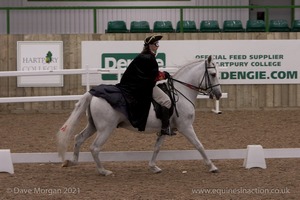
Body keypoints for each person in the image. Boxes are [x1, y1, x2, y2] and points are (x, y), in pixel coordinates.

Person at [116, 34, 175, 136]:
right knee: (166, 101)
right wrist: (164, 75)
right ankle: (165, 128)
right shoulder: (149, 58)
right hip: (144, 87)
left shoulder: (142, 57)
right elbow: (153, 76)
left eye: (158, 44)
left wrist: (161, 74)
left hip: (136, 86)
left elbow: (148, 73)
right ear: (150, 45)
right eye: (156, 44)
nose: (158, 46)